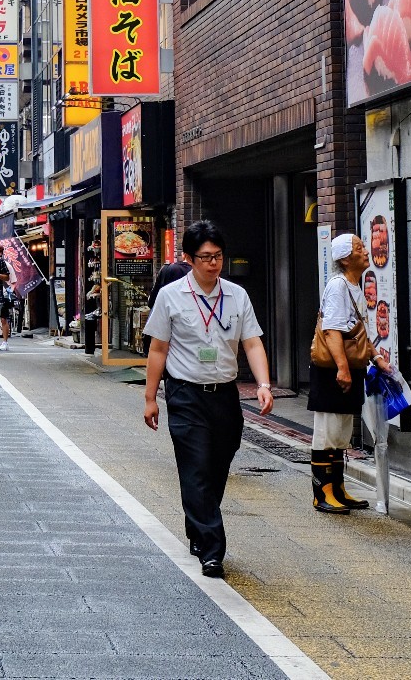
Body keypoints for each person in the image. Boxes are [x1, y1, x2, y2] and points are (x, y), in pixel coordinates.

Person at [140, 221, 273, 579]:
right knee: (196, 467)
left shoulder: (236, 295)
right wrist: (151, 397)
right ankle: (213, 550)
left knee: (217, 467)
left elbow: (252, 342)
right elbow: (158, 348)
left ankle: (198, 524)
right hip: (185, 393)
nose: (213, 264)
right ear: (188, 258)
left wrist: (263, 384)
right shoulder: (171, 297)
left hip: (225, 396)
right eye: (205, 257)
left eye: (218, 257)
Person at [310, 233, 372, 514]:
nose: (366, 251)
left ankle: (338, 487)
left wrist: (376, 358)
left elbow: (358, 332)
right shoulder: (338, 286)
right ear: (346, 258)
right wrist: (343, 369)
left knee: (341, 432)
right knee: (328, 432)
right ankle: (322, 492)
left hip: (347, 369)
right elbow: (332, 330)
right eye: (360, 248)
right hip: (332, 371)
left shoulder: (354, 285)